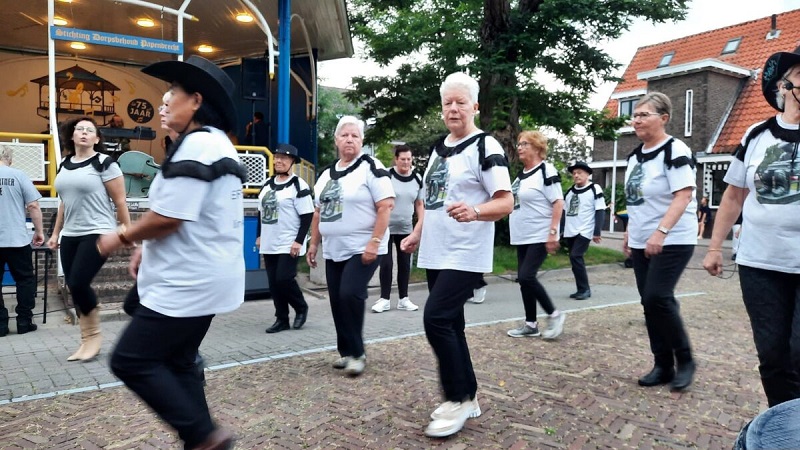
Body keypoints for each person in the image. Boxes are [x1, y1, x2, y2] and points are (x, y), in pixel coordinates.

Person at [98, 55, 247, 449]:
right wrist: (146, 246)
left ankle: (203, 435)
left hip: (188, 281)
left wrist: (122, 236)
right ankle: (202, 438)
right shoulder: (214, 144)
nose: (163, 103)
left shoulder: (198, 145)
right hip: (205, 275)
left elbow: (169, 218)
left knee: (131, 359)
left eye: (172, 95)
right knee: (180, 361)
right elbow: (186, 212)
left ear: (196, 101)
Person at [400, 72, 513, 438]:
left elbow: (506, 201)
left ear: (474, 106)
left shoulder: (486, 146)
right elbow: (431, 200)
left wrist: (475, 211)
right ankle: (469, 395)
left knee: (435, 319)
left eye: (460, 102)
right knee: (452, 324)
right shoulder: (438, 148)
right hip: (436, 251)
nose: (453, 108)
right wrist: (418, 232)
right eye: (447, 102)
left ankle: (457, 398)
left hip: (465, 251)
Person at [703, 46, 800, 408]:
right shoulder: (756, 135)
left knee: (799, 353)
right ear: (784, 85)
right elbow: (733, 196)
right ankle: (783, 425)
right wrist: (715, 247)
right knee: (772, 354)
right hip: (760, 263)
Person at [306, 116, 394, 377]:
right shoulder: (326, 174)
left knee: (350, 293)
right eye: (344, 135)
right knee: (336, 299)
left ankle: (358, 353)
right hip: (334, 248)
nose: (349, 140)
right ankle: (346, 351)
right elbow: (318, 213)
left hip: (364, 246)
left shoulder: (371, 167)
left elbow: (385, 206)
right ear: (336, 140)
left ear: (362, 141)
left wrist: (374, 242)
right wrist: (313, 243)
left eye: (355, 135)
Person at [622, 92, 698, 392]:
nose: (636, 120)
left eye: (644, 115)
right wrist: (630, 233)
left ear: (663, 118)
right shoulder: (634, 156)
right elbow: (635, 200)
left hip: (673, 237)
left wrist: (661, 232)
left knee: (658, 296)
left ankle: (686, 360)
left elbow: (683, 195)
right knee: (649, 301)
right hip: (642, 239)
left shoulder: (675, 150)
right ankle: (662, 364)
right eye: (635, 115)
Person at [47, 117, 130, 361]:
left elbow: (120, 201)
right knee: (73, 285)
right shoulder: (64, 164)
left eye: (89, 130)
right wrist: (56, 233)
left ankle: (94, 336)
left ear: (96, 138)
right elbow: (64, 202)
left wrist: (126, 230)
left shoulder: (105, 163)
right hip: (71, 233)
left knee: (79, 281)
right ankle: (85, 340)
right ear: (72, 136)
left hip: (98, 230)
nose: (84, 132)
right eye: (79, 129)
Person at [505, 130, 566, 338]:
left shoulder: (546, 170)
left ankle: (554, 314)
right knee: (523, 280)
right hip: (522, 234)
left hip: (540, 233)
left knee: (526, 276)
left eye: (525, 144)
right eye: (519, 144)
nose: (519, 147)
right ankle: (531, 324)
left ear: (538, 148)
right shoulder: (521, 175)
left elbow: (558, 202)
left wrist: (553, 232)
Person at [257, 143, 313, 333]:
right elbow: (261, 212)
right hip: (269, 240)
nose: (278, 161)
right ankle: (281, 318)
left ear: (292, 162)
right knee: (273, 283)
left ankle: (300, 307)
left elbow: (307, 215)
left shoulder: (299, 185)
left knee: (284, 278)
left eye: (284, 158)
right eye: (276, 157)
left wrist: (299, 241)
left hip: (289, 241)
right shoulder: (267, 184)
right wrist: (259, 235)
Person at [0, 146, 45, 336]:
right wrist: (39, 232)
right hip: (17, 239)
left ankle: (0, 325)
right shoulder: (19, 175)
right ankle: (24, 322)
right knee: (25, 280)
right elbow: (33, 205)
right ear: (9, 159)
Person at [373, 145, 423, 313]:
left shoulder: (417, 178)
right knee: (386, 263)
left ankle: (404, 299)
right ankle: (384, 299)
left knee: (404, 264)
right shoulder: (386, 176)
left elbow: (419, 204)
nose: (406, 162)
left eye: (409, 159)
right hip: (386, 227)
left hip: (406, 227)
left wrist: (420, 224)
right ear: (396, 159)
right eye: (403, 159)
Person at [563, 161, 606, 300]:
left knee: (576, 256)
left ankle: (585, 289)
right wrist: (561, 229)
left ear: (587, 174)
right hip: (570, 230)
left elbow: (600, 210)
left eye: (579, 173)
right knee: (574, 259)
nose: (576, 175)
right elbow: (564, 211)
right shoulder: (570, 192)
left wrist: (597, 231)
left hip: (584, 230)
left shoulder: (594, 189)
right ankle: (580, 289)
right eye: (574, 173)